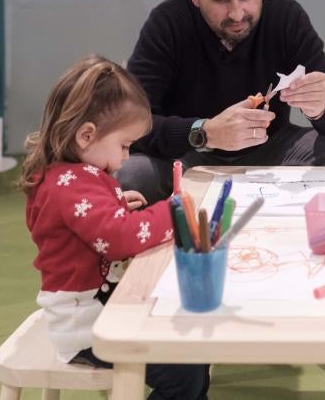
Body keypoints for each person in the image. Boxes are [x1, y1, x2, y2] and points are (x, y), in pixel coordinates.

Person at [118, 0, 325, 203]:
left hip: (274, 148)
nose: (237, 13)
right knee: (133, 173)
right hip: (190, 154)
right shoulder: (168, 23)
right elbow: (131, 123)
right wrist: (205, 132)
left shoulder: (285, 18)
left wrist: (322, 106)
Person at [18, 55, 210, 399]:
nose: (126, 157)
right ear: (86, 135)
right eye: (123, 145)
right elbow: (119, 239)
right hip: (88, 330)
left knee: (190, 354)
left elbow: (93, 220)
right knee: (185, 371)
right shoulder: (69, 185)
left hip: (100, 313)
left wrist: (118, 204)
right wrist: (171, 212)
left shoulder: (69, 173)